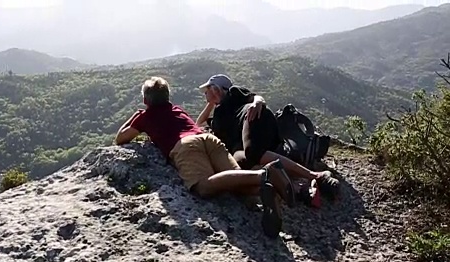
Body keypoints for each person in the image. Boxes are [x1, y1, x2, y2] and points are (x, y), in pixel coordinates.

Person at [114, 76, 295, 238]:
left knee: (203, 187)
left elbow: (120, 139)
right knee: (237, 183)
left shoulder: (145, 116)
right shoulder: (177, 110)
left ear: (146, 100)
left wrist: (134, 117)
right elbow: (197, 125)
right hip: (208, 139)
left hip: (185, 147)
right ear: (167, 97)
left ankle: (264, 175)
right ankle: (268, 189)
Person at [196, 74, 340, 202]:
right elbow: (198, 123)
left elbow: (256, 97)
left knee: (253, 152)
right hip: (246, 140)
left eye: (207, 90)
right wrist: (212, 102)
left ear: (216, 89)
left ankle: (315, 175)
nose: (205, 95)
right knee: (241, 161)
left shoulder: (234, 93)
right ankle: (298, 188)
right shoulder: (219, 115)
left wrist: (258, 103)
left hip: (255, 118)